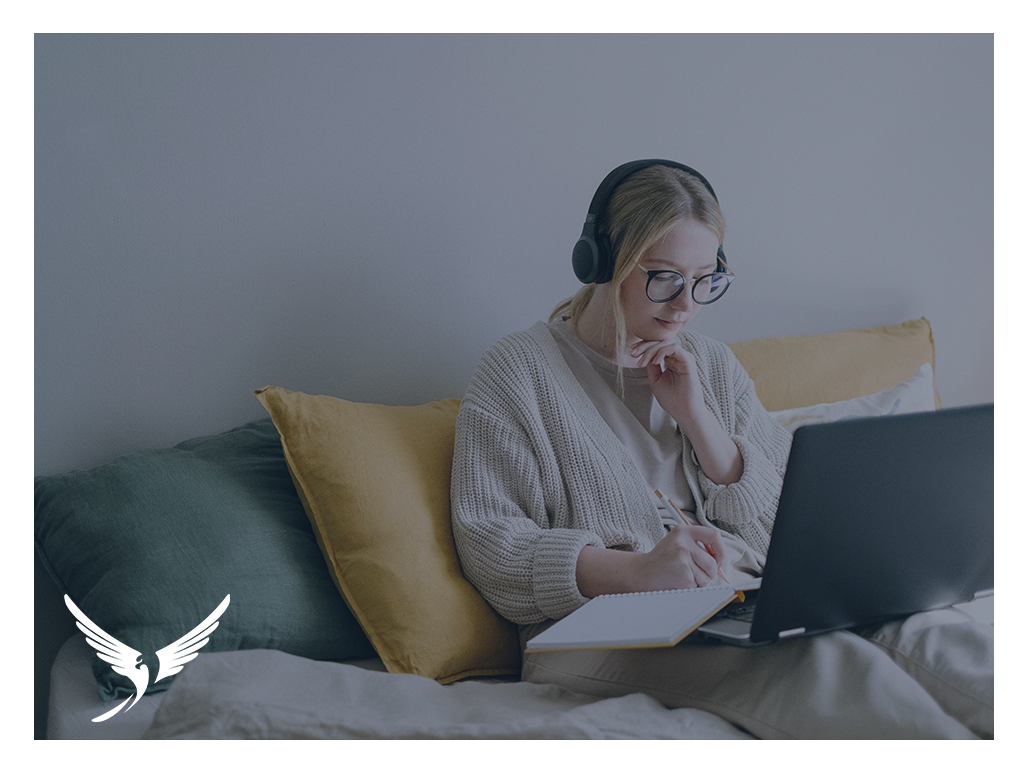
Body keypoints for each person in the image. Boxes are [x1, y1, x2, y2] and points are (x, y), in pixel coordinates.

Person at [449, 160, 993, 739]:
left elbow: (790, 516)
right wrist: (637, 571)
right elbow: (492, 545)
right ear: (603, 263)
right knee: (834, 672)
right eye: (663, 277)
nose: (685, 305)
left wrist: (699, 419)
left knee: (937, 639)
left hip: (744, 601)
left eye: (704, 279)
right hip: (596, 632)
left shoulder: (709, 363)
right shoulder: (517, 374)